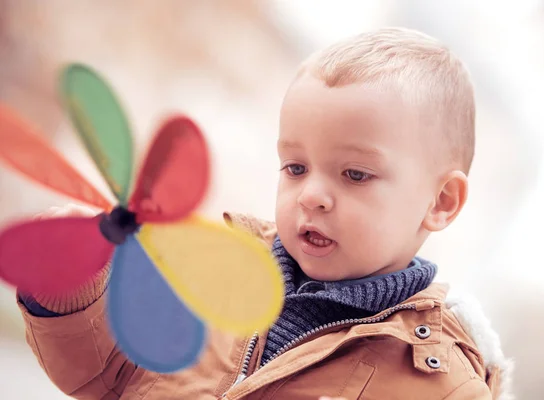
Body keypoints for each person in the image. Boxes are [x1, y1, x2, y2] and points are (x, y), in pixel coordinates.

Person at [16, 27, 512, 399]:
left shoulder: (441, 384)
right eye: (295, 167)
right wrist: (69, 286)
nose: (311, 195)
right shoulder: (207, 273)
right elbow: (107, 378)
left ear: (441, 202)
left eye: (355, 175)